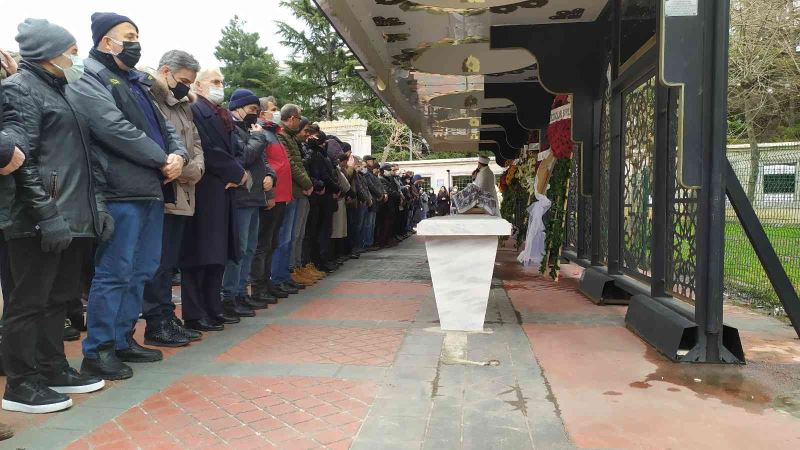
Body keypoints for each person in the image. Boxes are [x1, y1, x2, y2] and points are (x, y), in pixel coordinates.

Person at [67, 12, 188, 380]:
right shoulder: (90, 77)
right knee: (115, 272)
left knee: (141, 270)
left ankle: (122, 340)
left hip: (149, 189)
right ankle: (98, 350)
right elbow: (112, 127)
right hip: (119, 190)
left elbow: (167, 127)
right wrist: (161, 157)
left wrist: (179, 156)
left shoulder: (136, 82)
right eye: (129, 35)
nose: (136, 42)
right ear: (107, 41)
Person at [1, 18, 107, 415]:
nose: (76, 57)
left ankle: (51, 367)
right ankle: (20, 383)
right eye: (72, 50)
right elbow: (20, 160)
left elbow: (83, 157)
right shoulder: (19, 90)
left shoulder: (62, 90)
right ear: (49, 53)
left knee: (57, 299)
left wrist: (95, 209)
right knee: (27, 302)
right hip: (33, 218)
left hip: (69, 215)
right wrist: (46, 213)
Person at [141, 50, 205, 348]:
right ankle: (157, 321)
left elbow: (196, 146)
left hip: (185, 192)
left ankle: (167, 316)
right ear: (165, 72)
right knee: (159, 263)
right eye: (183, 81)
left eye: (190, 83)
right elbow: (160, 146)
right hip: (164, 192)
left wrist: (193, 169)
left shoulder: (184, 106)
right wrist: (183, 167)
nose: (186, 88)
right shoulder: (150, 99)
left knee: (169, 262)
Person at [179, 68, 246, 332]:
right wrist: (237, 173)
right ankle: (195, 313)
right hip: (206, 187)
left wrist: (238, 172)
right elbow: (205, 147)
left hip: (224, 188)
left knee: (217, 254)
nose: (221, 85)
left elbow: (237, 148)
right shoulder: (195, 110)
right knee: (199, 253)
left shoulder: (223, 114)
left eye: (222, 81)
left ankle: (212, 307)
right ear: (198, 85)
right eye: (215, 81)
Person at [222, 88, 276, 316]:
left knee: (250, 247)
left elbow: (264, 161)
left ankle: (241, 292)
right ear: (238, 107)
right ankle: (229, 295)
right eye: (252, 109)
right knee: (239, 249)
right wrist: (258, 138)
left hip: (254, 197)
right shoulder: (231, 128)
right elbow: (242, 157)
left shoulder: (250, 129)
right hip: (241, 197)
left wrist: (271, 176)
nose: (255, 114)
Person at [250, 98, 292, 301]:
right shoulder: (262, 134)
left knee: (272, 242)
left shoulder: (275, 135)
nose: (276, 113)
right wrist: (268, 194)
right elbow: (263, 167)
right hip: (271, 196)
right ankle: (258, 287)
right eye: (273, 110)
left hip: (282, 196)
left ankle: (267, 282)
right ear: (262, 113)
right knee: (263, 243)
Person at [272, 104, 313, 292]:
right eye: (299, 118)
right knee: (285, 237)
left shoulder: (288, 137)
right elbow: (290, 165)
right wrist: (307, 183)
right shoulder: (282, 136)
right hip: (290, 192)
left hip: (294, 192)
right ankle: (279, 277)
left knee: (291, 237)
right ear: (292, 118)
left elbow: (297, 164)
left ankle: (284, 275)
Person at [360, 155, 386, 251]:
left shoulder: (371, 174)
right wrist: (380, 194)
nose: (372, 162)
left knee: (371, 224)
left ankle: (370, 242)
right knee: (368, 224)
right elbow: (371, 186)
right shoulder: (367, 173)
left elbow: (377, 185)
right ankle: (367, 243)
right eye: (370, 160)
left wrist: (382, 194)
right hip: (371, 200)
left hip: (375, 201)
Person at [332, 153, 351, 259]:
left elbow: (347, 184)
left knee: (341, 228)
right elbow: (344, 184)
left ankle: (340, 252)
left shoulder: (341, 170)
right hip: (337, 198)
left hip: (342, 198)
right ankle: (336, 254)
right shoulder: (337, 169)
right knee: (337, 228)